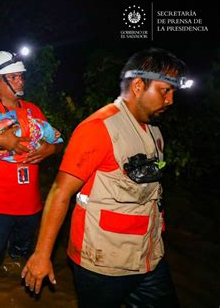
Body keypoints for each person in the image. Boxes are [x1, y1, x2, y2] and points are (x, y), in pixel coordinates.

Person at [22, 48, 189, 307]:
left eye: (172, 93)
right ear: (137, 85)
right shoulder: (98, 129)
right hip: (103, 264)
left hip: (148, 257)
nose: (170, 100)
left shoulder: (155, 131)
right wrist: (42, 255)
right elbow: (60, 192)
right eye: (165, 90)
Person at [0, 51, 63, 274]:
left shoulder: (33, 110)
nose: (20, 80)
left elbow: (59, 141)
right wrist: (3, 140)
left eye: (21, 76)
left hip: (30, 205)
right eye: (13, 77)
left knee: (22, 262)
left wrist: (50, 149)